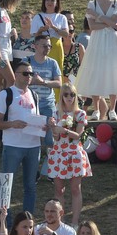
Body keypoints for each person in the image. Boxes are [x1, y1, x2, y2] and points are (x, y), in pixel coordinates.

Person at [0, 59, 42, 219]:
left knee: (31, 187)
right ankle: (5, 222)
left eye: (31, 73)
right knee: (6, 187)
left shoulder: (34, 94)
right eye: (25, 73)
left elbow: (37, 119)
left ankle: (28, 221)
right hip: (13, 145)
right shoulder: (6, 94)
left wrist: (44, 125)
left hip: (33, 146)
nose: (29, 76)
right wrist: (13, 124)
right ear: (16, 74)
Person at [75, 0, 117, 121]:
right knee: (96, 71)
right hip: (97, 41)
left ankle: (112, 109)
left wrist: (97, 16)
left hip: (111, 41)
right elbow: (92, 26)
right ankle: (96, 109)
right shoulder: (92, 3)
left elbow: (115, 22)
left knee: (113, 70)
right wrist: (109, 24)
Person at [47, 82, 91, 225]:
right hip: (58, 153)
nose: (69, 97)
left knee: (75, 188)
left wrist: (65, 130)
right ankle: (60, 221)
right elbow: (55, 137)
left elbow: (78, 135)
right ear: (61, 97)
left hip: (74, 153)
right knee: (58, 189)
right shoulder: (56, 113)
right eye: (66, 94)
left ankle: (75, 221)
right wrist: (54, 128)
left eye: (72, 94)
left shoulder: (80, 113)